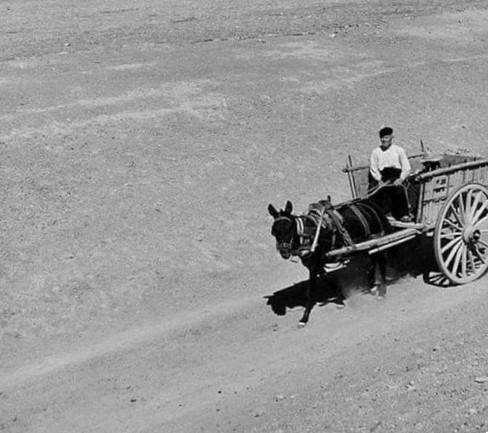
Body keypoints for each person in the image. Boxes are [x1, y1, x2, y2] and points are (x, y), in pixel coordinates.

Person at [369, 127, 413, 222]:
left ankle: (403, 214)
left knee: (398, 189)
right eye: (382, 138)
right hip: (383, 176)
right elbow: (373, 168)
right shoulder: (376, 152)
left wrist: (401, 179)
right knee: (381, 190)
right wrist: (379, 180)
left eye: (386, 137)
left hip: (396, 175)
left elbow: (406, 167)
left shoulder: (399, 150)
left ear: (391, 137)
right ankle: (386, 214)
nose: (384, 140)